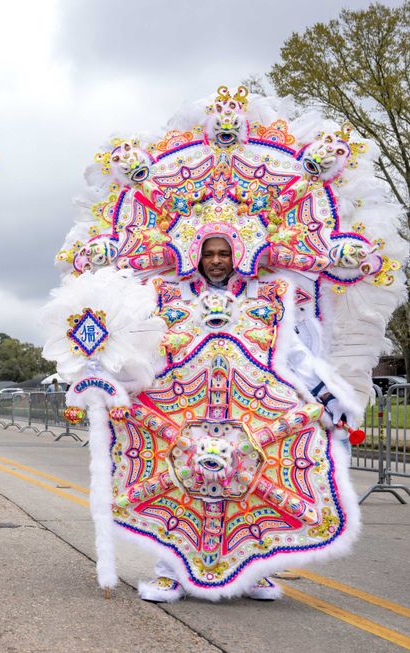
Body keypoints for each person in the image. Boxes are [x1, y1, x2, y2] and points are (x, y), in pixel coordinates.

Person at [45, 86, 400, 603]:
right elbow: (140, 351)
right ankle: (170, 570)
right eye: (208, 252)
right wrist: (104, 377)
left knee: (251, 485)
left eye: (224, 251)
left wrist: (331, 400)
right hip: (177, 409)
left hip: (253, 410)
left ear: (241, 252)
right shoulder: (163, 295)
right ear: (195, 253)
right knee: (175, 485)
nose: (216, 260)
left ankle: (252, 572)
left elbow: (295, 356)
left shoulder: (272, 296)